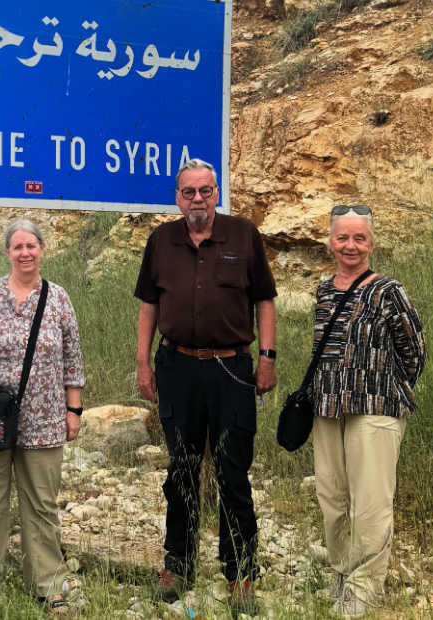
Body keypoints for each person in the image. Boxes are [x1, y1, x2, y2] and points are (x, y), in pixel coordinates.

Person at [134, 158, 277, 612]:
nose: (197, 199)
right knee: (181, 470)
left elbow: (265, 301)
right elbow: (148, 306)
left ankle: (240, 575)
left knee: (233, 472)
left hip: (231, 370)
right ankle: (178, 565)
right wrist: (142, 362)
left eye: (205, 191)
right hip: (176, 367)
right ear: (177, 197)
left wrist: (268, 358)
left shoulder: (243, 235)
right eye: (189, 192)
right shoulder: (161, 240)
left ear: (217, 193)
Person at [0, 219, 86, 613]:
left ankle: (49, 584)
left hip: (44, 418)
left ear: (43, 249)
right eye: (17, 247)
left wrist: (74, 408)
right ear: (7, 253)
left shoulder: (58, 299)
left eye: (31, 245)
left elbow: (72, 357)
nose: (25, 253)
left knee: (41, 504)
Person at [310, 205, 425, 617]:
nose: (350, 246)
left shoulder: (388, 291)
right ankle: (341, 574)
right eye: (342, 237)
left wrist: (384, 386)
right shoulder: (324, 291)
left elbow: (415, 351)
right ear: (330, 241)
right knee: (333, 497)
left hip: (376, 408)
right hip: (327, 409)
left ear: (372, 243)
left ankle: (363, 589)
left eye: (359, 238)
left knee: (372, 501)